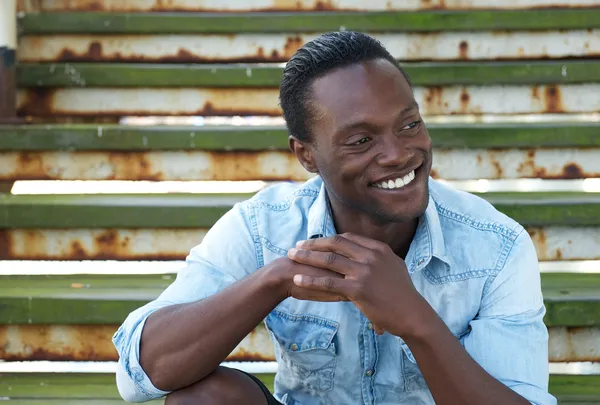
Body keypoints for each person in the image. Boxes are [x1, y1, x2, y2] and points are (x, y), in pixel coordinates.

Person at [113, 31, 556, 405]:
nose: (399, 154)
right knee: (205, 398)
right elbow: (140, 374)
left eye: (409, 125)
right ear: (305, 154)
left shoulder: (495, 245)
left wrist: (414, 321)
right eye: (361, 140)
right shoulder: (263, 227)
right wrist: (279, 277)